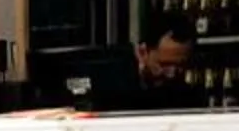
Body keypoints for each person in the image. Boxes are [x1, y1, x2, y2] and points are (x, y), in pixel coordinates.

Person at [56, 12, 196, 110]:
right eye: (164, 65)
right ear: (142, 52)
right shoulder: (110, 81)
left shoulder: (185, 95)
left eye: (180, 66)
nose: (171, 74)